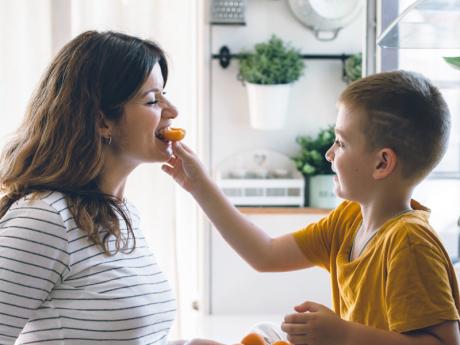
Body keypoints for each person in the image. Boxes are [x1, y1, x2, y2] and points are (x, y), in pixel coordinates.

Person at [163, 70, 460, 345]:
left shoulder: (409, 242)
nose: (330, 154)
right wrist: (198, 185)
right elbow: (265, 254)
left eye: (341, 143)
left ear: (382, 163)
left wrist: (344, 334)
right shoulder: (348, 220)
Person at [0, 30, 192, 344]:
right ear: (103, 122)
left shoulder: (124, 214)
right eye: (153, 100)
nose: (172, 111)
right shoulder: (45, 220)